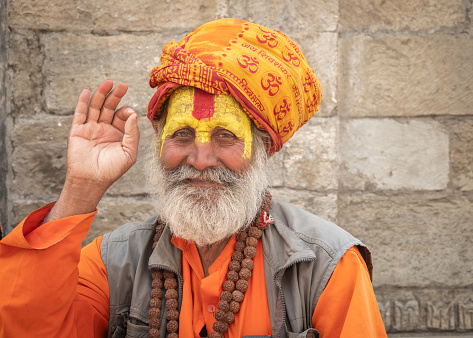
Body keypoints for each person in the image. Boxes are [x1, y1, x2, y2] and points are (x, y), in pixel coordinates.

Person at [0, 19, 386, 337]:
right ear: (158, 145)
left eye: (225, 136)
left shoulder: (326, 266)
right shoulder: (114, 261)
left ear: (261, 149)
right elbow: (26, 327)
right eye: (182, 135)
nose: (200, 160)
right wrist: (82, 187)